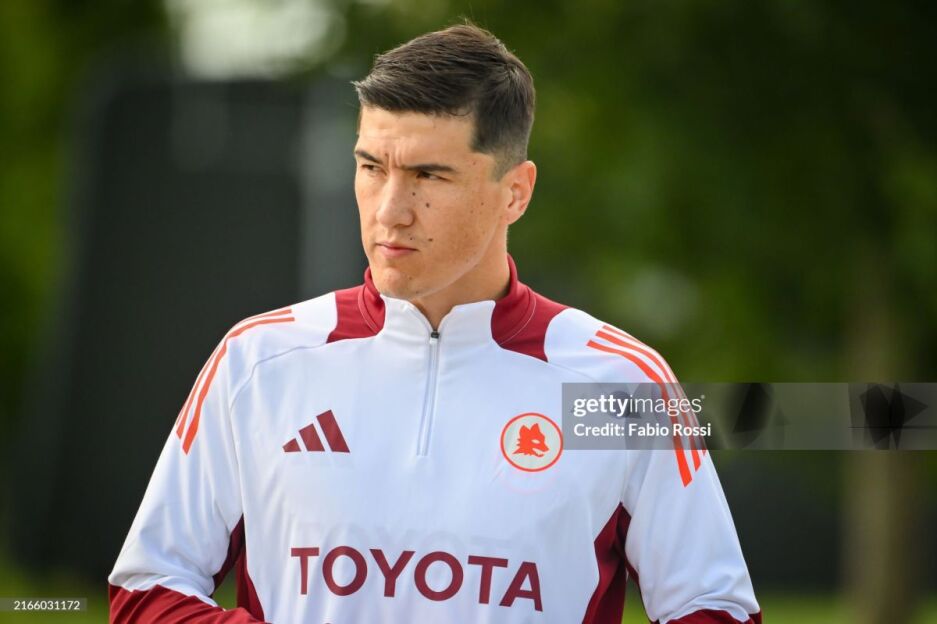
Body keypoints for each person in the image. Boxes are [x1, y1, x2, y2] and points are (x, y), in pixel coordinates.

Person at [108, 23, 761, 623]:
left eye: (429, 175)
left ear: (516, 192)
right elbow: (145, 590)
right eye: (371, 167)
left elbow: (716, 609)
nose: (390, 211)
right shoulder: (258, 361)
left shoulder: (621, 385)